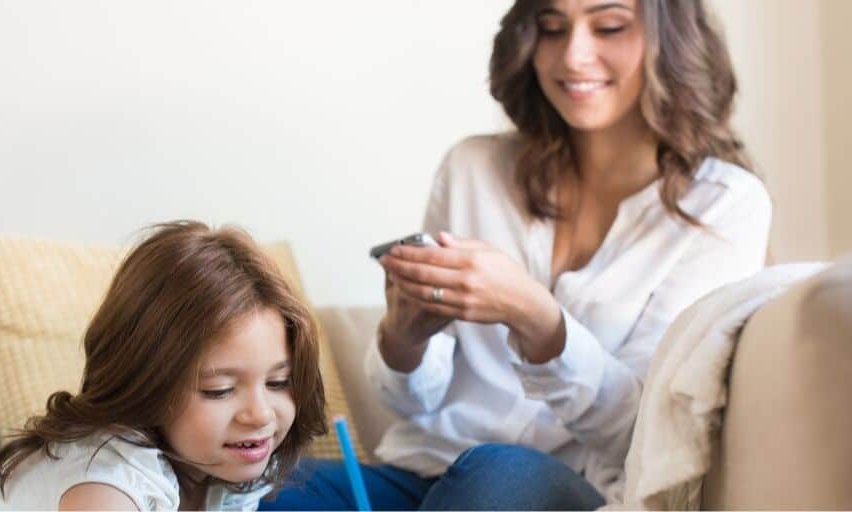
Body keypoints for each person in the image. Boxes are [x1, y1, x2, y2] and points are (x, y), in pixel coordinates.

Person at [260, 0, 770, 509]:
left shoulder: (724, 206)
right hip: (420, 478)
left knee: (497, 471)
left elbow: (647, 437)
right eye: (551, 28)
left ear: (671, 40)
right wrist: (403, 338)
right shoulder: (473, 168)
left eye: (609, 26)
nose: (572, 56)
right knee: (257, 487)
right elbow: (409, 405)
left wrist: (539, 320)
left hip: (561, 490)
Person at [0, 221, 327, 510]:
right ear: (145, 384)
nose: (260, 413)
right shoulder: (107, 488)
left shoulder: (226, 466)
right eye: (219, 390)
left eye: (279, 382)